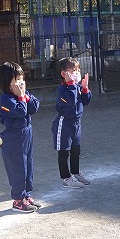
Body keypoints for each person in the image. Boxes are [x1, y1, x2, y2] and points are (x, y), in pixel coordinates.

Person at [0, 62, 41, 213]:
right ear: (7, 82)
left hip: (27, 133)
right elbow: (21, 112)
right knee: (18, 169)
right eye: (17, 80)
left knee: (29, 166)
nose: (21, 83)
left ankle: (26, 195)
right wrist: (21, 97)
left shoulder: (23, 94)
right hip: (14, 137)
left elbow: (35, 107)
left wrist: (25, 96)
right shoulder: (6, 99)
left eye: (22, 78)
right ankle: (18, 200)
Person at [52, 57, 92, 188]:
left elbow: (85, 101)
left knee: (76, 150)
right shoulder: (63, 89)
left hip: (76, 123)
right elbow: (70, 101)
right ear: (63, 74)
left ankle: (75, 172)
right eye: (72, 71)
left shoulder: (76, 87)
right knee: (64, 151)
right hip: (64, 124)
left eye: (77, 71)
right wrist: (72, 85)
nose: (76, 73)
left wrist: (85, 89)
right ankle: (66, 177)